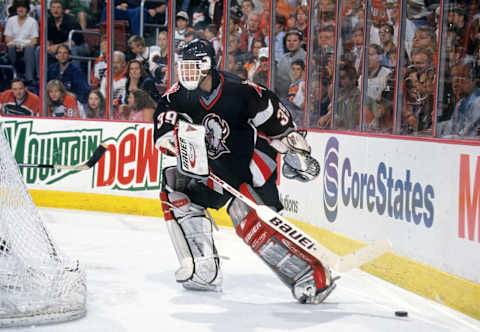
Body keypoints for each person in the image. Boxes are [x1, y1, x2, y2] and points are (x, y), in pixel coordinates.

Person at [154, 39, 335, 304]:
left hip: (250, 168)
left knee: (247, 216)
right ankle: (204, 269)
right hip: (214, 172)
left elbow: (281, 127)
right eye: (184, 66)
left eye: (192, 66)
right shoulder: (178, 95)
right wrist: (169, 140)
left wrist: (295, 150)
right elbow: (163, 123)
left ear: (207, 66)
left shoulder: (242, 92)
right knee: (173, 185)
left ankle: (311, 275)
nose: (186, 72)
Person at [4, 0, 38, 85]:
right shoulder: (11, 20)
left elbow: (34, 40)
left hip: (28, 46)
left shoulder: (32, 22)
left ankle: (29, 78)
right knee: (11, 47)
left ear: (27, 9)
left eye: (23, 7)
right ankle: (13, 76)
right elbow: (8, 38)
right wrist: (16, 45)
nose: (21, 9)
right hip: (14, 45)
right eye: (19, 7)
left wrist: (23, 46)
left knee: (29, 49)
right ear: (16, 9)